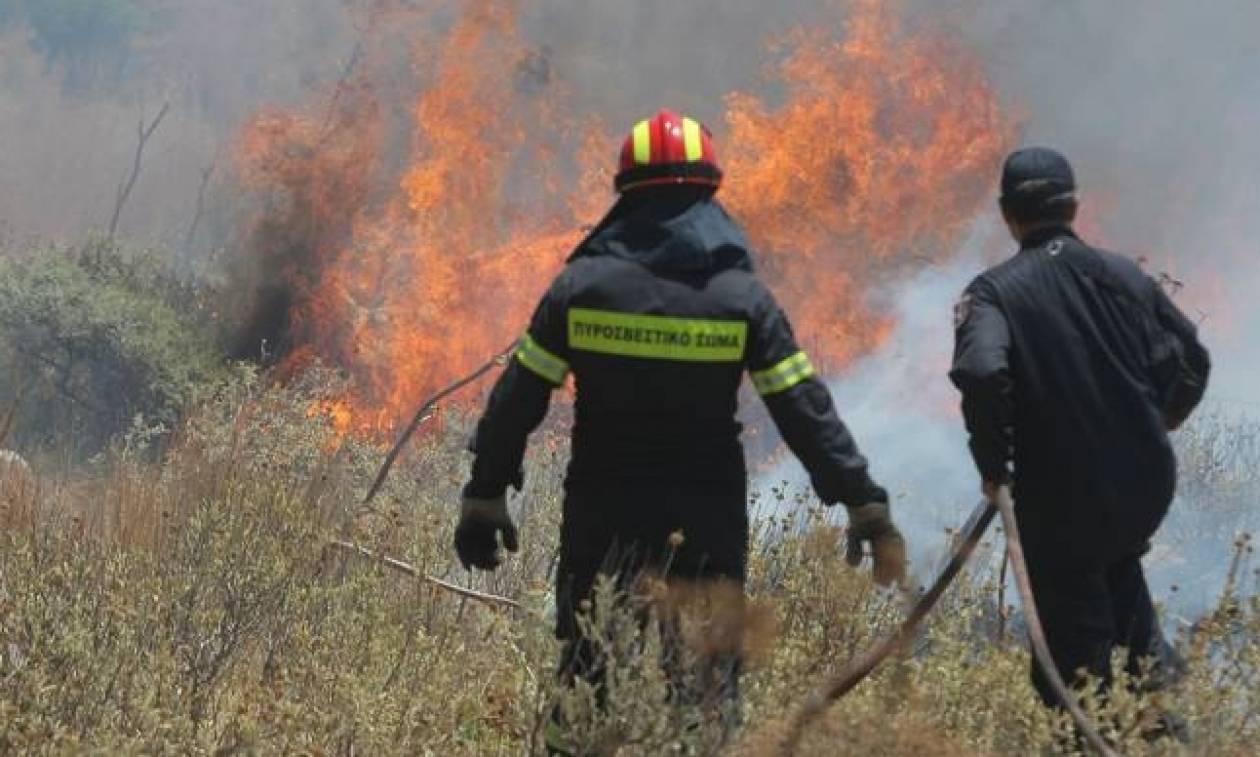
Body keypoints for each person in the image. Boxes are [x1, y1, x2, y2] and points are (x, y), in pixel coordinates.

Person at [454, 109, 905, 750]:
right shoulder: (740, 298)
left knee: (587, 685)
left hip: (603, 514)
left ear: (626, 194)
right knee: (704, 698)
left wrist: (485, 492)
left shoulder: (583, 289)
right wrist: (862, 500)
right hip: (705, 521)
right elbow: (803, 410)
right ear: (708, 193)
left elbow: (516, 400)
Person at [950, 147, 1210, 737]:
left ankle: (1089, 735)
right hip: (1143, 486)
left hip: (1059, 497)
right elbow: (1193, 359)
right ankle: (1162, 724)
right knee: (1120, 583)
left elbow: (984, 373)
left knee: (1073, 661)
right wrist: (1162, 419)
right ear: (1072, 206)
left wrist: (995, 465)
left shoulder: (993, 293)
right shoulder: (1121, 275)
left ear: (1007, 213)